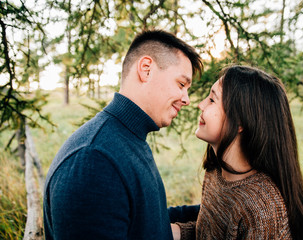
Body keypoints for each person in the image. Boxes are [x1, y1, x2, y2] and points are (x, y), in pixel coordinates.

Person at [43, 30, 202, 240]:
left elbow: (146, 220)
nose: (186, 99)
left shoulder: (129, 138)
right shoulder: (93, 160)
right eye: (181, 84)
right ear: (146, 69)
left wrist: (220, 208)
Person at [170, 65, 303, 240]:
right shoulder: (217, 172)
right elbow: (209, 232)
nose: (201, 105)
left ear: (240, 122)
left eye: (212, 100)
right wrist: (169, 232)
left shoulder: (261, 208)